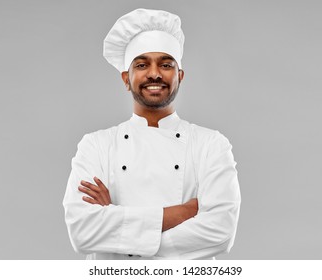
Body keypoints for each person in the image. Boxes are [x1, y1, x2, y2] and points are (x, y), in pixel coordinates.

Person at [63, 8, 241, 260]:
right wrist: (185, 212)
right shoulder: (96, 145)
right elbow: (82, 232)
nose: (155, 73)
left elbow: (221, 231)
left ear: (180, 76)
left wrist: (117, 227)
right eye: (142, 64)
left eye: (166, 64)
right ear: (126, 79)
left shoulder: (211, 144)